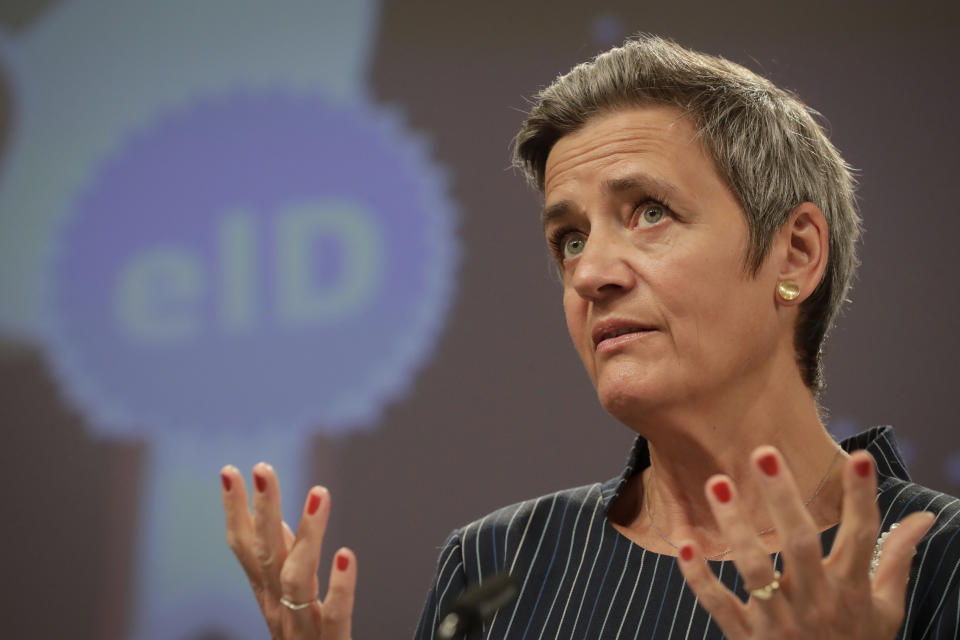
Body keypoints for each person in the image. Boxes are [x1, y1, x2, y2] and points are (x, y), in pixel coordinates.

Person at [219, 35, 960, 639]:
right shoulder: (496, 568)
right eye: (569, 238)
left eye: (649, 213)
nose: (590, 274)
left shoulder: (938, 561)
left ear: (795, 253)